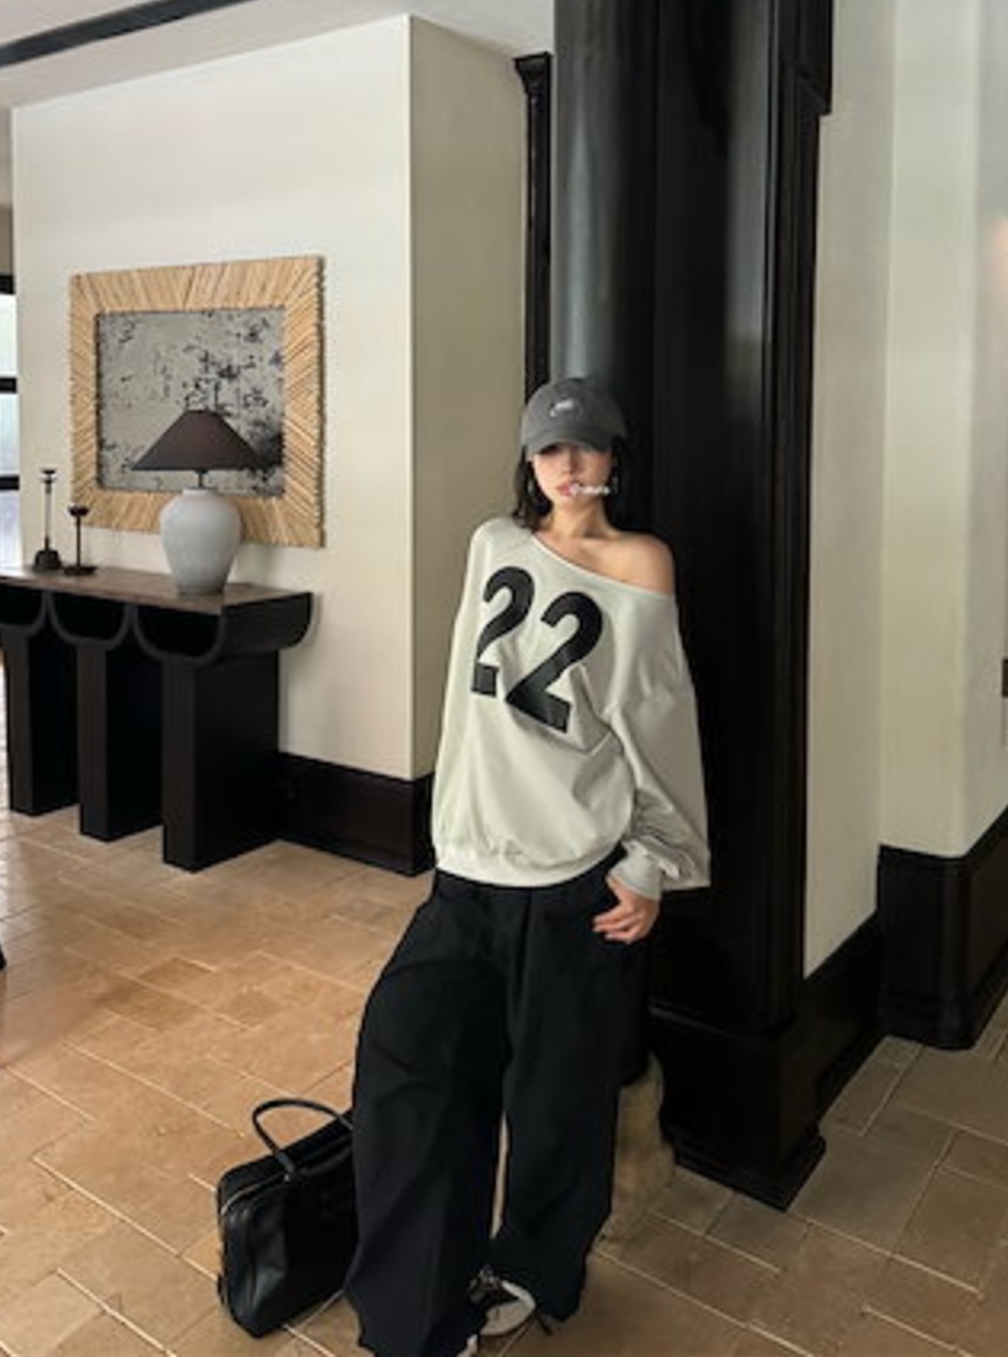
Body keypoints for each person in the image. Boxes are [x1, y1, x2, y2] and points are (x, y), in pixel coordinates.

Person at [345, 375, 711, 1357]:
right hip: (466, 872)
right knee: (406, 1073)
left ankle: (534, 1272)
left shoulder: (640, 563)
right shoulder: (491, 544)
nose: (570, 464)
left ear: (616, 457)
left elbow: (657, 718)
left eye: (588, 446)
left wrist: (655, 858)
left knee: (555, 1109)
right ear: (529, 460)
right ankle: (417, 1319)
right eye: (552, 448)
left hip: (570, 881)